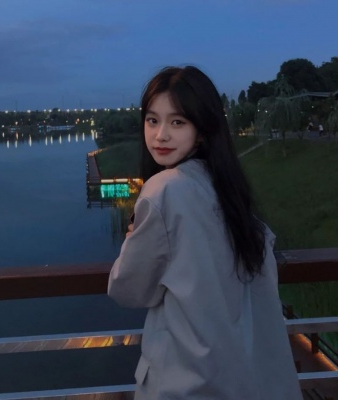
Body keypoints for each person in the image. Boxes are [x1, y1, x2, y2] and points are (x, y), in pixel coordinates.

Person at [108, 66, 302, 399]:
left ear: (202, 129)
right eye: (152, 120)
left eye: (177, 122)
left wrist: (130, 240)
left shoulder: (164, 190)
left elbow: (128, 290)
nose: (160, 135)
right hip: (246, 378)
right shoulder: (226, 187)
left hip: (186, 381)